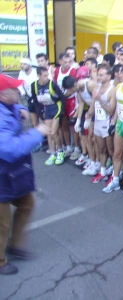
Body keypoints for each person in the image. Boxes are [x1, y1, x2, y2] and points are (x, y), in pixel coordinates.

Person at [0, 74, 50, 274]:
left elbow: (13, 108)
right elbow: (9, 149)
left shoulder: (7, 106)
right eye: (14, 90)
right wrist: (37, 132)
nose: (19, 92)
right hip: (3, 175)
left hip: (11, 174)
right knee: (1, 223)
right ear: (3, 96)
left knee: (27, 204)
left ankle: (14, 246)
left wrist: (20, 109)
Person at [102, 64, 123, 194]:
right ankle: (115, 180)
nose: (120, 75)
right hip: (120, 123)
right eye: (120, 73)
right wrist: (113, 122)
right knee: (117, 153)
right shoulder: (118, 86)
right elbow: (117, 106)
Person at [30, 67, 66, 166]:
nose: (47, 77)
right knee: (48, 133)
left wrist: (61, 112)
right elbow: (35, 100)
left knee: (54, 132)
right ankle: (53, 152)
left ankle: (60, 151)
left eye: (47, 75)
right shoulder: (34, 85)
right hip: (47, 109)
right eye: (44, 75)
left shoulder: (52, 84)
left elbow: (62, 97)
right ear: (39, 76)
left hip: (56, 108)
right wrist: (40, 111)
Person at [87, 65, 116, 183]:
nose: (98, 77)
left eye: (101, 75)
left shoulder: (112, 90)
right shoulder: (96, 89)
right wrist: (88, 114)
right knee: (101, 149)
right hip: (97, 123)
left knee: (111, 151)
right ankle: (102, 172)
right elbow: (93, 106)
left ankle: (115, 173)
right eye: (98, 74)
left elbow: (111, 111)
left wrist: (100, 100)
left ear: (109, 76)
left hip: (107, 124)